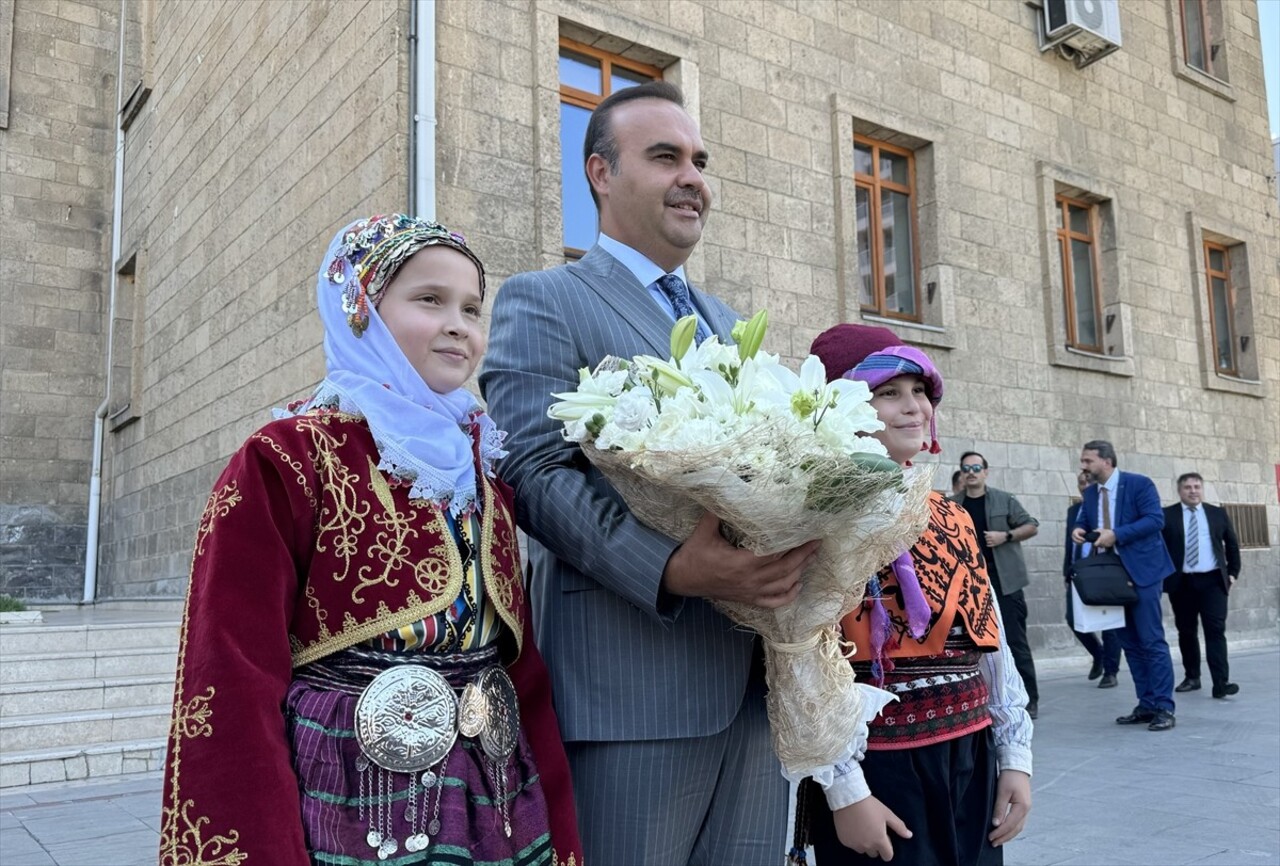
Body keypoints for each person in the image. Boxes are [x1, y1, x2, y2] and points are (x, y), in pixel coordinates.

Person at [158, 215, 582, 866]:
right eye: (429, 299)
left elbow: (520, 672)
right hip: (349, 792)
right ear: (360, 309)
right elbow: (231, 676)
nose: (458, 324)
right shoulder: (290, 459)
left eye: (472, 307)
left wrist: (560, 823)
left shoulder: (485, 472)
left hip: (495, 794)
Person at [480, 81, 812, 865]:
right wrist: (670, 568)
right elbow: (528, 469)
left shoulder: (732, 324)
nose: (693, 176)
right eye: (666, 157)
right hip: (632, 692)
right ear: (599, 172)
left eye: (699, 159)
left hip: (756, 693)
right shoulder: (546, 301)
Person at [797, 323, 1033, 865]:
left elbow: (986, 634)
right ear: (844, 408)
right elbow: (800, 658)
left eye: (920, 391)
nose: (914, 408)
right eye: (888, 393)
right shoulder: (815, 515)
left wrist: (1014, 753)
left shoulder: (949, 514)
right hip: (880, 767)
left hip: (969, 754)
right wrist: (846, 790)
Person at [1072, 440, 1177, 731]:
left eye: (1088, 461)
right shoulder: (1091, 493)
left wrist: (1116, 535)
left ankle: (1164, 707)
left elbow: (1155, 520)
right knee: (1129, 642)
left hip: (1143, 572)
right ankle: (1146, 704)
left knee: (1151, 640)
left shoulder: (1139, 484)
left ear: (1107, 461)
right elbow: (1084, 519)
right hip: (1112, 578)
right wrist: (1078, 530)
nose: (1084, 466)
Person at [949, 452, 1041, 718]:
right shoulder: (953, 504)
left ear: (985, 472)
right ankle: (983, 700)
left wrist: (1006, 535)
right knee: (974, 644)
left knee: (1015, 641)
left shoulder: (1004, 499)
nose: (971, 472)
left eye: (976, 467)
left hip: (1005, 583)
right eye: (966, 468)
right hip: (969, 587)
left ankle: (1030, 698)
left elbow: (1031, 525)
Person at [1162, 472, 1242, 699]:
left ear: (1202, 489)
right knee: (1186, 631)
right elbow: (1158, 549)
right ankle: (1192, 677)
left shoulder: (1217, 513)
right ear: (1179, 491)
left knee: (1215, 630)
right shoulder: (1167, 515)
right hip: (1183, 582)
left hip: (1213, 581)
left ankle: (1221, 683)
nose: (1193, 491)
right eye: (1187, 487)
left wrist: (1233, 573)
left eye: (1197, 486)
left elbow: (1232, 545)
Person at [1064, 469, 1121, 688]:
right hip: (1078, 571)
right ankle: (1098, 654)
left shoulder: (1106, 508)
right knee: (1072, 618)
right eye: (1081, 482)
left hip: (1104, 569)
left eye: (1089, 481)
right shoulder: (1073, 511)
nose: (1085, 485)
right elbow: (1068, 544)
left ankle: (1110, 671)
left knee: (1110, 623)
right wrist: (1066, 571)